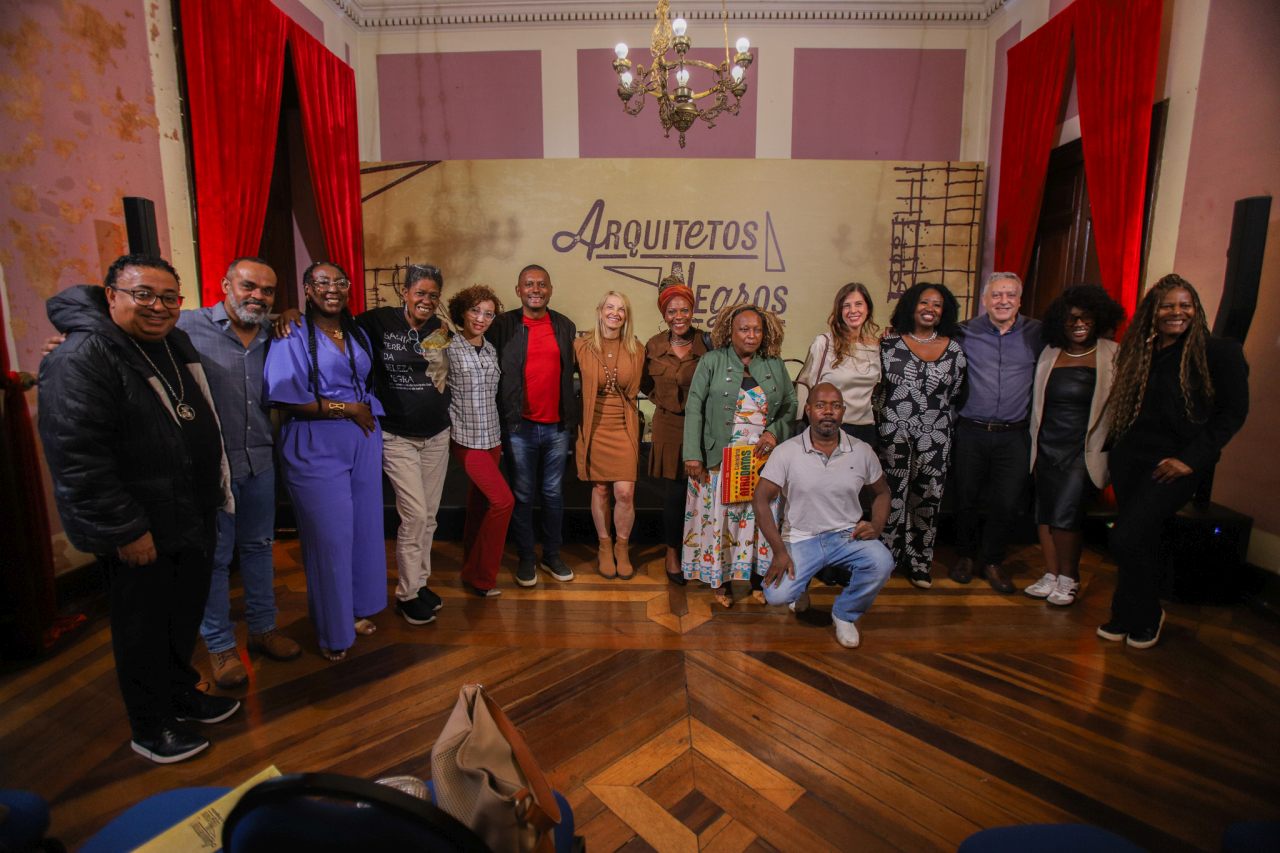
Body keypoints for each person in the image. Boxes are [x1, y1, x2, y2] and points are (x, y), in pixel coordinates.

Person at [43, 257, 303, 690]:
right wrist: (73, 343)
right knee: (216, 559)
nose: (257, 296)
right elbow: (120, 339)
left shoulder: (276, 333)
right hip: (210, 470)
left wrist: (292, 313)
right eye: (248, 286)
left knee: (259, 548)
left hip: (260, 462)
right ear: (226, 285)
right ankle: (220, 646)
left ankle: (263, 629)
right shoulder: (185, 327)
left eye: (268, 290)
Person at [38, 254, 239, 764]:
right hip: (140, 523)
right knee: (142, 628)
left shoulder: (173, 342)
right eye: (143, 294)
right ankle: (151, 727)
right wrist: (125, 529)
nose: (158, 306)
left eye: (169, 297)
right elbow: (78, 457)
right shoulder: (82, 355)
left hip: (190, 510)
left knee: (181, 616)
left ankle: (180, 693)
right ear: (111, 296)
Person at [1098, 274, 1249, 649]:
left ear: (1196, 309)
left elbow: (1232, 413)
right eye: (1167, 306)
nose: (1176, 312)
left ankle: (1149, 614)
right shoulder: (1141, 351)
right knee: (1142, 538)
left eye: (1184, 305)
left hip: (1174, 466)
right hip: (1130, 461)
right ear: (1153, 311)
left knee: (1126, 535)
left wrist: (1190, 460)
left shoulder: (1219, 352)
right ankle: (1125, 613)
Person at [265, 261, 386, 661]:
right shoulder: (292, 331)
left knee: (363, 532)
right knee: (329, 540)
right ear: (307, 288)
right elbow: (284, 397)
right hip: (315, 440)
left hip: (363, 438)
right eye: (322, 282)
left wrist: (358, 413)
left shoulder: (355, 331)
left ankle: (354, 610)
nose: (332, 288)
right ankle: (334, 631)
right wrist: (346, 408)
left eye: (340, 282)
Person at [757, 384, 894, 648]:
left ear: (843, 411)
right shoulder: (787, 451)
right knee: (776, 595)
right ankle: (800, 587)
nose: (828, 412)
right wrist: (779, 551)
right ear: (808, 410)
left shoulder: (861, 450)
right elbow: (761, 499)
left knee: (882, 562)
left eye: (835, 406)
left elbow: (882, 493)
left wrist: (877, 525)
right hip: (800, 538)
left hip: (846, 536)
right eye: (820, 405)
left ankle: (845, 614)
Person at [355, 264, 452, 625]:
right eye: (420, 293)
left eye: (433, 295)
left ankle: (420, 582)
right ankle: (407, 594)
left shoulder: (438, 328)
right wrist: (292, 316)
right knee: (414, 515)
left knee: (429, 517)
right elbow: (334, 326)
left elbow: (438, 372)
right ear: (406, 293)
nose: (426, 300)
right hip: (397, 436)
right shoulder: (378, 321)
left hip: (437, 434)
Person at [683, 302, 796, 607]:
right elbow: (694, 407)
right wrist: (693, 454)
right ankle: (720, 583)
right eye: (744, 329)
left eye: (757, 330)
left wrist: (774, 432)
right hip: (720, 459)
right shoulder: (712, 361)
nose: (751, 335)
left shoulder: (774, 363)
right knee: (722, 521)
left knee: (760, 519)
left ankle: (760, 580)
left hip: (762, 459)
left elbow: (790, 404)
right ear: (729, 332)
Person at [1024, 285, 1125, 607]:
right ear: (1060, 322)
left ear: (1099, 318)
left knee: (1066, 515)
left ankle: (1070, 578)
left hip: (1083, 449)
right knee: (1045, 513)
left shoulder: (1113, 353)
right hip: (1047, 444)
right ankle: (1051, 574)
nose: (1079, 324)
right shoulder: (1050, 353)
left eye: (1085, 317)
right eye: (1071, 319)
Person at [950, 272, 1043, 593]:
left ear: (1019, 300)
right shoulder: (963, 332)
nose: (1003, 301)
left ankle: (992, 560)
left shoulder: (1038, 333)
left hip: (1014, 434)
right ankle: (965, 556)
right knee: (966, 498)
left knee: (1006, 502)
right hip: (971, 431)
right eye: (997, 295)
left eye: (1010, 295)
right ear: (985, 300)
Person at [488, 264, 577, 587]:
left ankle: (551, 555)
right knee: (523, 495)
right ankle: (526, 557)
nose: (535, 290)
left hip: (557, 427)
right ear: (519, 290)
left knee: (553, 494)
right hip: (519, 427)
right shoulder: (502, 325)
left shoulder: (565, 326)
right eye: (529, 284)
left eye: (541, 284)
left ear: (550, 290)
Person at [877, 282, 967, 589]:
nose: (930, 309)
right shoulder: (888, 344)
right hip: (893, 433)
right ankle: (884, 560)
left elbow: (956, 393)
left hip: (935, 435)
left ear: (945, 311)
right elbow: (878, 388)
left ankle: (919, 562)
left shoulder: (954, 350)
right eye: (924, 302)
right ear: (911, 306)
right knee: (890, 496)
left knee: (928, 497)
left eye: (937, 304)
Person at [640, 275, 709, 585]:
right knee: (675, 495)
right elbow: (644, 382)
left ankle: (703, 553)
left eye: (684, 310)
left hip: (703, 426)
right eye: (671, 311)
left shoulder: (708, 343)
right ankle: (673, 553)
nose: (678, 316)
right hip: (668, 426)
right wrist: (663, 401)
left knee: (703, 493)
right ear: (664, 314)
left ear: (692, 311)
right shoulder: (653, 346)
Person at [447, 285, 514, 597]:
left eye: (488, 314)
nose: (481, 318)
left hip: (492, 438)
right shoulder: (447, 345)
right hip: (466, 439)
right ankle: (483, 577)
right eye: (475, 311)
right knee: (503, 501)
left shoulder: (489, 349)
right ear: (462, 311)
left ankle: (469, 570)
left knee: (480, 506)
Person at [575, 291, 645, 579]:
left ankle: (621, 547)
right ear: (600, 311)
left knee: (625, 492)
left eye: (621, 309)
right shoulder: (581, 345)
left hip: (623, 425)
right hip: (594, 425)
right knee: (601, 489)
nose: (615, 313)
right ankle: (604, 545)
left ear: (626, 316)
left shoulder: (636, 348)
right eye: (610, 307)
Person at [794, 282, 881, 446]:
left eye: (858, 304)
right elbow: (806, 386)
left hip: (866, 429)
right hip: (830, 428)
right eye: (846, 306)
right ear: (839, 311)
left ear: (868, 308)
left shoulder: (877, 347)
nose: (853, 310)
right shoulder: (824, 344)